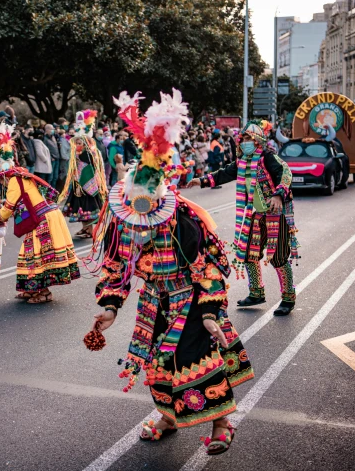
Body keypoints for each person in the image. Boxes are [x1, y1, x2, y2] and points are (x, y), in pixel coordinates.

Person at [91, 89, 252, 453]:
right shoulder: (125, 221)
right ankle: (167, 416)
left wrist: (211, 314)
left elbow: (208, 268)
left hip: (191, 301)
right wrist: (111, 307)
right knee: (156, 362)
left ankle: (221, 422)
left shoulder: (183, 223)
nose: (139, 224)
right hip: (154, 303)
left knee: (197, 362)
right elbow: (117, 265)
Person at [186, 120, 300, 317]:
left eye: (249, 138)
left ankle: (288, 298)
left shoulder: (267, 157)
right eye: (243, 138)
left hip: (275, 214)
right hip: (255, 214)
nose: (245, 142)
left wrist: (278, 195)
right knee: (248, 253)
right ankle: (256, 293)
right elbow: (225, 174)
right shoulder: (242, 162)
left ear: (258, 141)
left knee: (279, 257)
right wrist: (202, 180)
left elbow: (285, 175)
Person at [0, 121, 80, 304]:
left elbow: (8, 207)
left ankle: (44, 292)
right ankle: (31, 289)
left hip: (42, 219)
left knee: (38, 257)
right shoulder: (20, 175)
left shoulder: (13, 181)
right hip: (43, 216)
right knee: (29, 255)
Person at [58, 110, 108, 238]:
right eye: (77, 143)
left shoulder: (90, 154)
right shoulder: (79, 154)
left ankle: (89, 229)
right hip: (78, 183)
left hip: (88, 184)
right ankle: (85, 228)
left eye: (80, 143)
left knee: (87, 206)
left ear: (85, 144)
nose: (77, 145)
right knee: (80, 206)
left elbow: (91, 169)